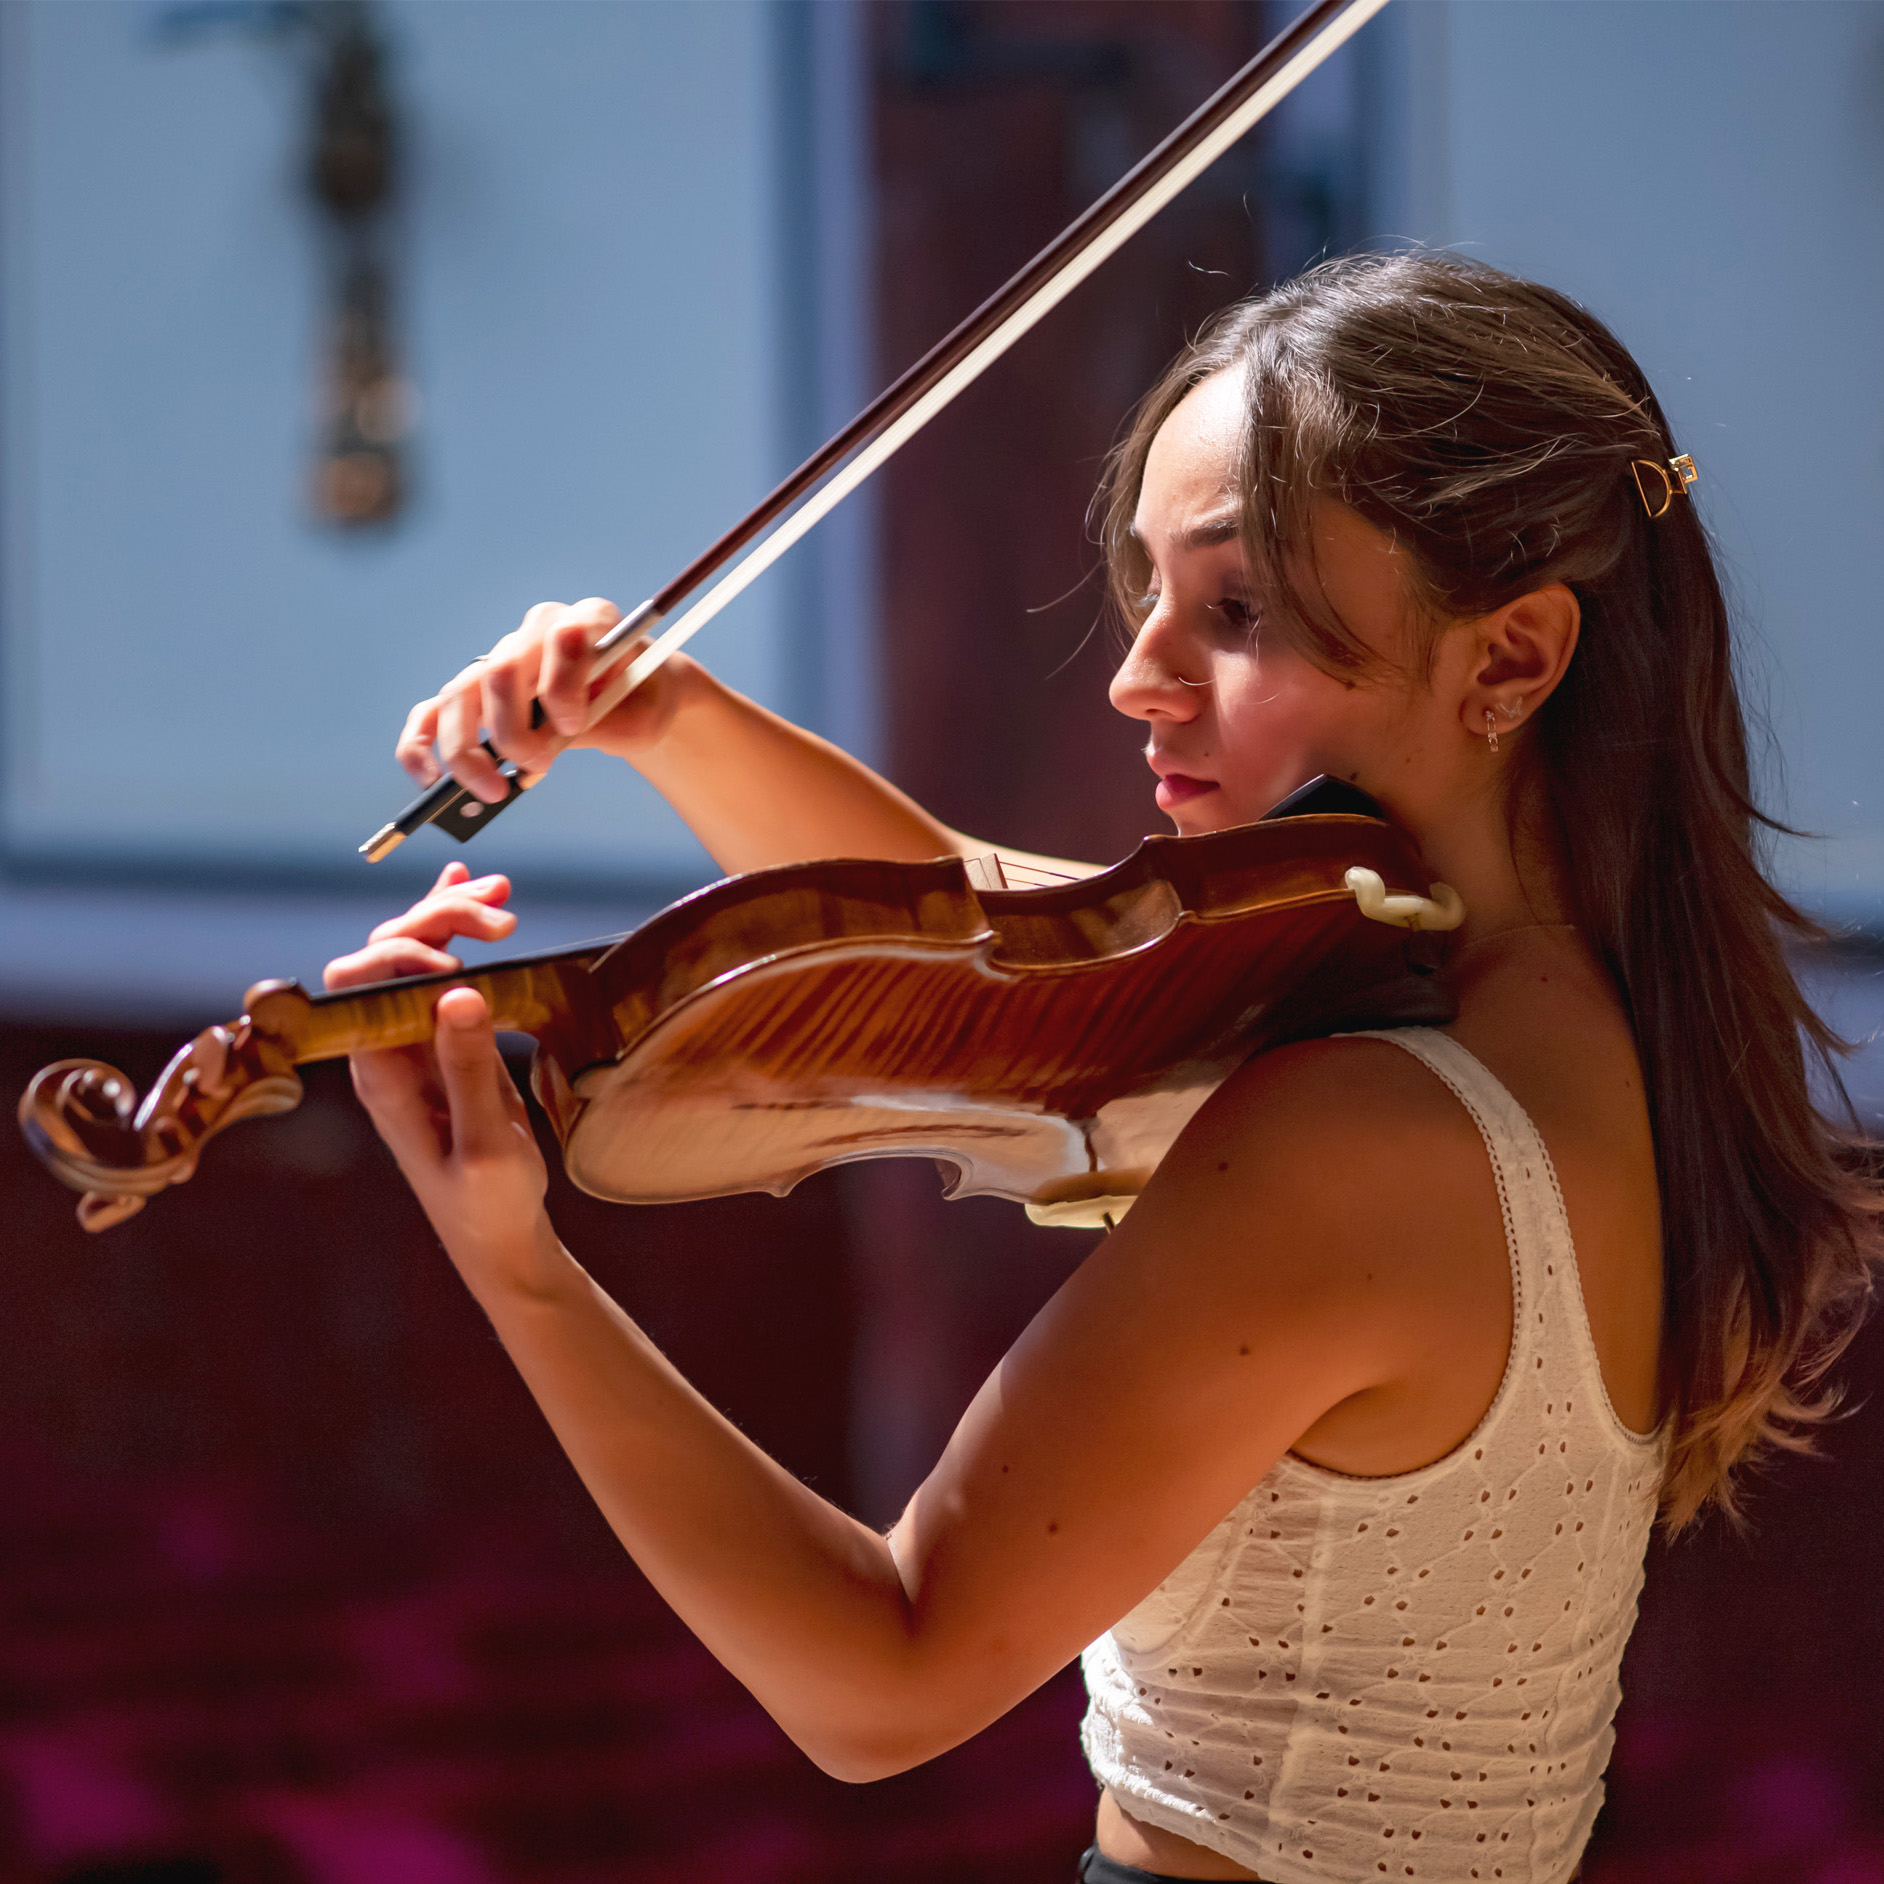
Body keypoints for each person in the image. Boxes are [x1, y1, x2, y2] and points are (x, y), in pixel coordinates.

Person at [325, 253, 1881, 1884]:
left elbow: (882, 1678)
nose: (1141, 674)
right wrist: (671, 722)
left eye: (1237, 608)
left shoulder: (1362, 1131)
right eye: (1149, 590)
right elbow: (1011, 949)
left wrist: (521, 1273)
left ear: (1510, 658)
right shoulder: (1574, 1022)